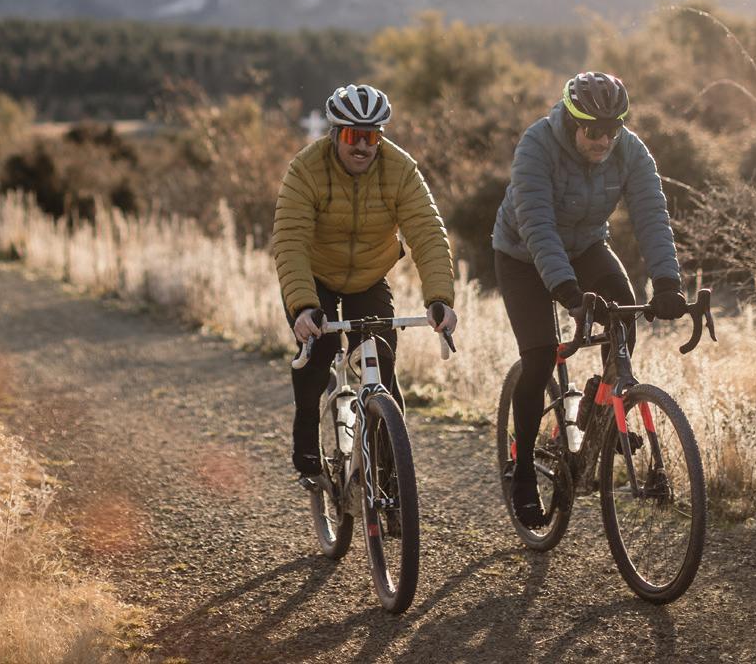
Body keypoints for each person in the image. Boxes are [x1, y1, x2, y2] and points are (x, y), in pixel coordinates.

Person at [491, 71, 687, 526]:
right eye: (593, 130)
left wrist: (667, 283)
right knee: (540, 357)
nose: (603, 140)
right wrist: (565, 290)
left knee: (624, 315)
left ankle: (597, 420)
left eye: (612, 129)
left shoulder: (629, 150)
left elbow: (652, 215)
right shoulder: (536, 145)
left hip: (585, 247)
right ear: (570, 120)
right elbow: (537, 223)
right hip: (522, 255)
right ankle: (522, 472)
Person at [270, 83, 459, 483]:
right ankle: (306, 434)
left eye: (371, 137)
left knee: (382, 364)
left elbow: (427, 232)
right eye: (353, 136)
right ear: (336, 134)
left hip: (369, 277)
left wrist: (440, 298)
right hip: (316, 277)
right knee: (319, 352)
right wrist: (303, 306)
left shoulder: (400, 169)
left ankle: (388, 472)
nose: (362, 146)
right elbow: (290, 241)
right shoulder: (306, 169)